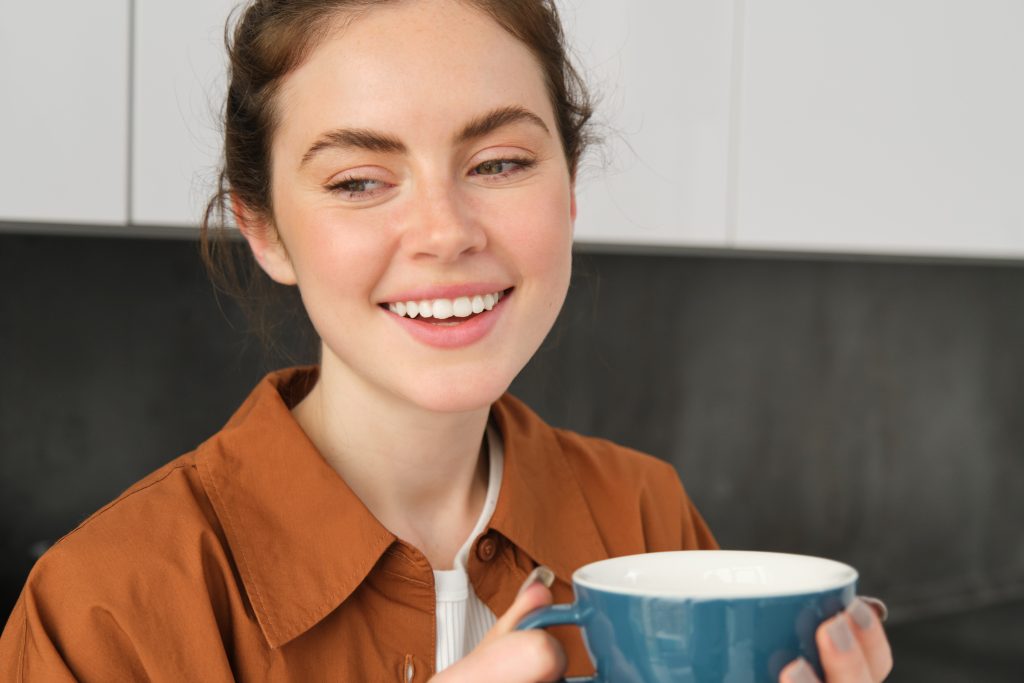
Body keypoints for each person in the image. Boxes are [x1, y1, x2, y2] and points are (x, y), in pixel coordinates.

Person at [0, 1, 892, 681]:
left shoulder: (645, 517)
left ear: (570, 189)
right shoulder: (105, 611)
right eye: (358, 181)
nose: (444, 231)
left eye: (499, 163)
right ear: (264, 229)